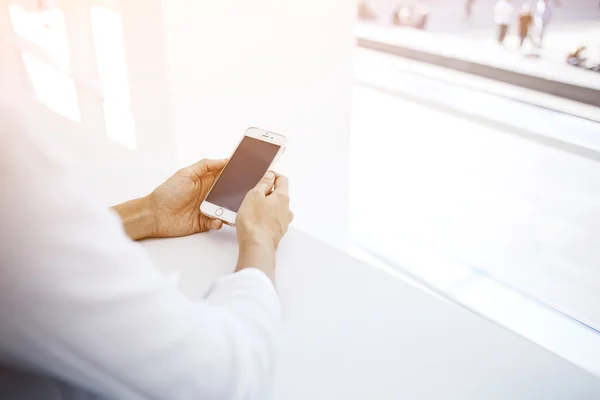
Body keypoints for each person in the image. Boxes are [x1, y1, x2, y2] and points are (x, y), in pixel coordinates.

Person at [0, 106, 293, 399]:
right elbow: (222, 380)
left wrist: (150, 213)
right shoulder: (13, 151)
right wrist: (260, 238)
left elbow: (32, 238)